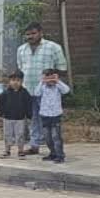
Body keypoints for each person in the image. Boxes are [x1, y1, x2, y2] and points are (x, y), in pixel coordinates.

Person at [16, 22, 68, 155]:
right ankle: (34, 146)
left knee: (49, 120)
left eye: (33, 33)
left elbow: (62, 68)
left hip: (47, 92)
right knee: (33, 119)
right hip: (28, 90)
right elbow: (21, 68)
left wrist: (50, 79)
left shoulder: (53, 47)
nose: (30, 37)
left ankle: (55, 150)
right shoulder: (21, 49)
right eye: (27, 34)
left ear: (41, 33)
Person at [0, 70, 32, 159]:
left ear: (22, 81)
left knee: (20, 134)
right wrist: (0, 115)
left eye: (18, 80)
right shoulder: (5, 93)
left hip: (20, 118)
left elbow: (28, 105)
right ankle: (7, 151)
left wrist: (29, 116)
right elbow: (1, 104)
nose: (15, 82)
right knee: (7, 134)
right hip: (7, 118)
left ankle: (20, 151)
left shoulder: (25, 93)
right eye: (13, 80)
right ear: (9, 81)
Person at [37, 68, 70, 163]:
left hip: (55, 116)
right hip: (45, 115)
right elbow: (36, 93)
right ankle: (53, 153)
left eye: (51, 78)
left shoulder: (58, 87)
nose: (49, 81)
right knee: (47, 137)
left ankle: (60, 155)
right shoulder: (42, 87)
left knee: (56, 137)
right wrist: (42, 82)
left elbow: (66, 90)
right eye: (47, 78)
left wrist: (57, 81)